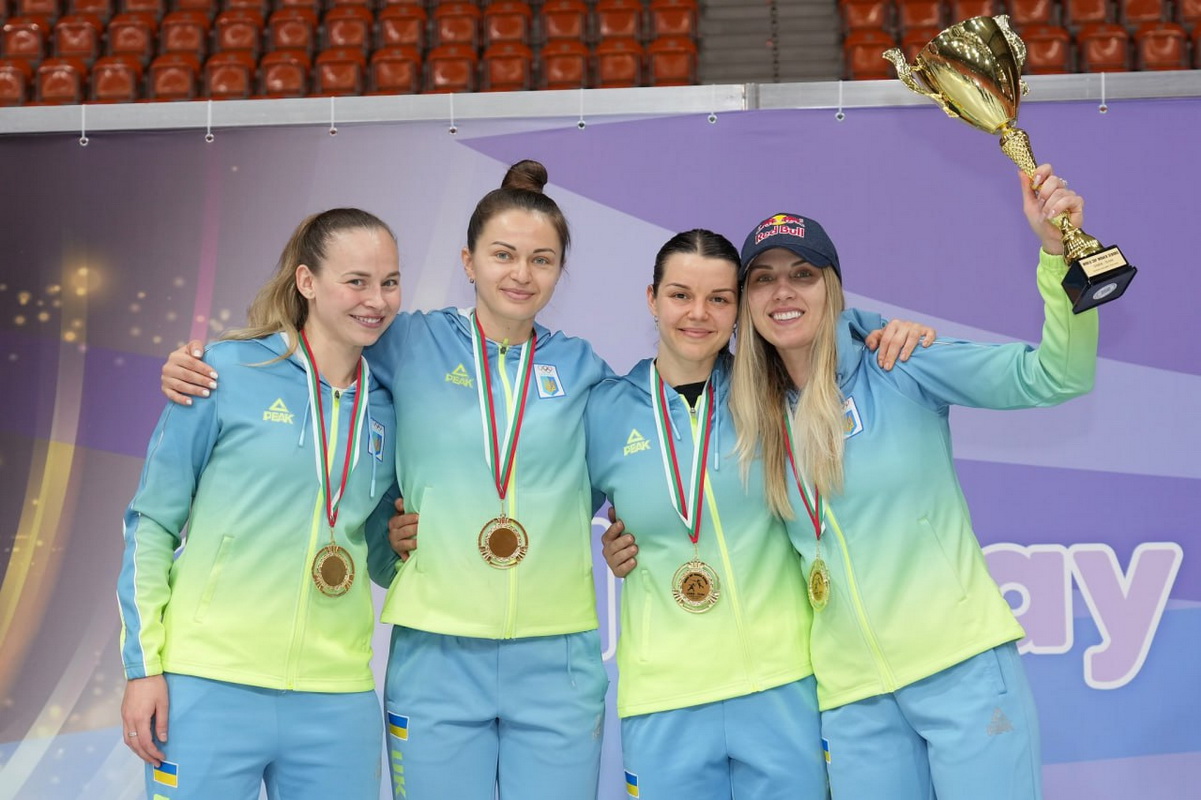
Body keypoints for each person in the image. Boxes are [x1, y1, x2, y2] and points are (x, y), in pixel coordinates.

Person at [158, 160, 932, 799]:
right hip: (436, 653)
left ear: (560, 271)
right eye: (502, 255)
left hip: (557, 658)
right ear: (468, 262)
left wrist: (864, 327)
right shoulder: (407, 343)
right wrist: (212, 363)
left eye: (541, 259)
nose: (520, 274)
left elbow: (648, 462)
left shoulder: (584, 372)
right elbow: (324, 357)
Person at [727, 165, 1098, 800]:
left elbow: (1056, 376)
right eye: (762, 278)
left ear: (832, 287)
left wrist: (1057, 254)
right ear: (746, 302)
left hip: (961, 670)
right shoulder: (749, 418)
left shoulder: (898, 363)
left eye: (802, 274)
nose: (782, 291)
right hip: (854, 700)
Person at [589, 232, 934, 799]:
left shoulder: (778, 388)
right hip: (664, 697)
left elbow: (839, 345)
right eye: (680, 295)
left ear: (740, 309)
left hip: (783, 685)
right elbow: (545, 508)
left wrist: (888, 329)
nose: (698, 314)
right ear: (652, 298)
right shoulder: (604, 408)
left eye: (719, 299)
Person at [117, 208, 402, 800]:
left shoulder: (389, 406)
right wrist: (144, 668)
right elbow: (152, 523)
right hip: (209, 682)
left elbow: (378, 555)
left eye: (390, 282)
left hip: (336, 693)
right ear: (307, 282)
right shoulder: (221, 373)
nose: (376, 300)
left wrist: (404, 547)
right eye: (356, 281)